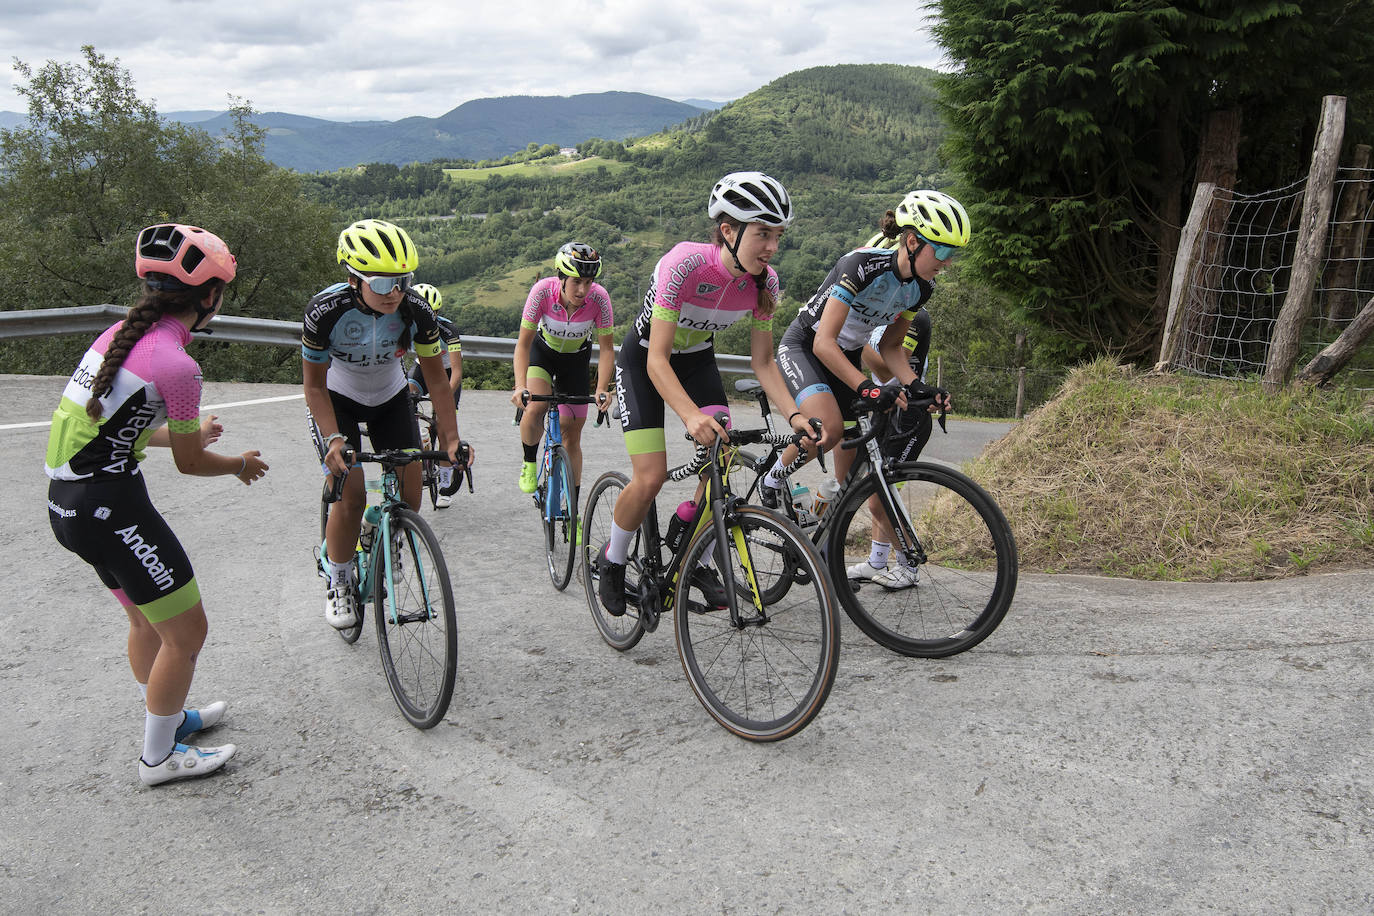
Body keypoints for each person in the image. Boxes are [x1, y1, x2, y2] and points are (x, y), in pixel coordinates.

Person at [45, 223, 269, 786]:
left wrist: (179, 434)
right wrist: (239, 464)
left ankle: (165, 723)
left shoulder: (119, 335)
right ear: (211, 296)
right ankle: (158, 759)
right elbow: (192, 464)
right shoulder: (178, 365)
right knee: (186, 634)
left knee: (146, 621)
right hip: (111, 509)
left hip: (69, 506)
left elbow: (101, 428)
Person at [595, 172, 815, 616]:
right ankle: (612, 559)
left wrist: (795, 415)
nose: (772, 247)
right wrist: (690, 416)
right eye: (762, 234)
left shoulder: (765, 285)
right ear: (728, 231)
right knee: (651, 476)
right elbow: (656, 359)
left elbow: (764, 363)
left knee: (723, 454)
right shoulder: (685, 265)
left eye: (777, 235)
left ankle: (690, 543)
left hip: (696, 363)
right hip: (643, 363)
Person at [768, 189, 966, 589]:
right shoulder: (861, 265)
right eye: (942, 253)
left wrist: (918, 386)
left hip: (845, 358)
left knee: (847, 479)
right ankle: (772, 480)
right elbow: (824, 341)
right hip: (807, 346)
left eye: (952, 255)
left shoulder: (920, 289)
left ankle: (820, 548)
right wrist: (868, 388)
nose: (946, 264)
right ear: (913, 241)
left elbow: (891, 347)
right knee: (830, 430)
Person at [303, 218, 464, 630]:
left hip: (391, 398)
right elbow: (314, 388)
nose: (393, 293)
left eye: (402, 281)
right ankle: (338, 580)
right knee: (352, 497)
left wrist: (451, 440)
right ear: (354, 279)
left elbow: (437, 382)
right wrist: (334, 440)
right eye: (380, 284)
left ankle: (379, 529)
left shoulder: (416, 310)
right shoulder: (325, 310)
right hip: (337, 398)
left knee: (411, 498)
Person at [510, 242, 615, 506]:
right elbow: (522, 345)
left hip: (576, 360)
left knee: (573, 434)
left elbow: (606, 350)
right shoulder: (541, 292)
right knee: (536, 406)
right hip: (543, 355)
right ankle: (529, 462)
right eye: (577, 282)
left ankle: (573, 510)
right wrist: (520, 385)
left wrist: (602, 387)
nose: (583, 290)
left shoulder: (600, 299)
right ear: (561, 277)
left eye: (589, 282)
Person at [405, 282, 464, 508]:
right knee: (406, 399)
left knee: (443, 425)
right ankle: (419, 448)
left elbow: (457, 371)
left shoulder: (449, 331)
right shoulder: (403, 325)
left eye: (433, 313)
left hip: (448, 372)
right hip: (423, 368)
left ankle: (445, 484)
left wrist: (443, 399)